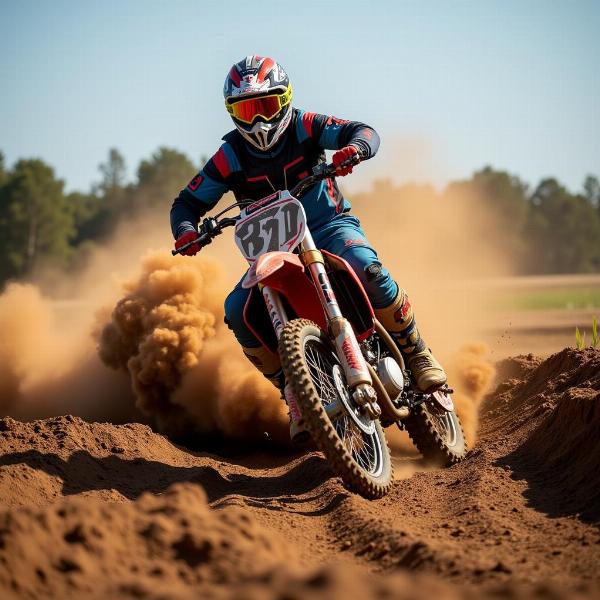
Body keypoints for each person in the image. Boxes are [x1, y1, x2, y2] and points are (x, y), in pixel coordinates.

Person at [171, 55, 446, 441]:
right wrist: (186, 230)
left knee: (367, 267)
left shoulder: (305, 125)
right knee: (236, 311)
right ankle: (293, 390)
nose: (259, 121)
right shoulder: (229, 155)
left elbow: (362, 130)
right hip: (270, 250)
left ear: (284, 99)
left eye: (265, 106)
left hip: (328, 227)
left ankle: (416, 351)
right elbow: (187, 202)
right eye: (247, 110)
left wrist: (354, 149)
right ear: (232, 113)